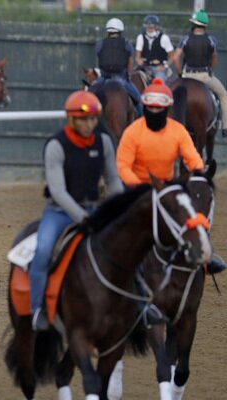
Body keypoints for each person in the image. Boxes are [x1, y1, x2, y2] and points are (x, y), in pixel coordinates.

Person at [30, 90, 124, 331]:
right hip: (59, 212)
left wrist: (122, 208)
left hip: (94, 208)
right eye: (83, 119)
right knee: (41, 251)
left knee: (130, 245)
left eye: (93, 118)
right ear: (71, 119)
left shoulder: (104, 142)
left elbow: (113, 180)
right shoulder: (56, 146)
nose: (89, 124)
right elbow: (58, 192)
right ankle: (38, 308)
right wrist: (85, 219)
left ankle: (143, 304)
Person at [117, 78, 225, 274]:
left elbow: (193, 158)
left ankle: (204, 255)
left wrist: (199, 172)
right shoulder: (132, 132)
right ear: (145, 106)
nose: (155, 111)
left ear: (168, 108)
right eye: (151, 107)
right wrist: (140, 187)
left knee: (193, 215)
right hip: (136, 190)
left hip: (167, 189)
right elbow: (123, 166)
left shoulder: (178, 131)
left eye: (160, 108)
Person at [172, 9, 227, 138]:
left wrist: (180, 73)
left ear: (193, 24)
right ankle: (225, 127)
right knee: (224, 95)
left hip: (187, 75)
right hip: (205, 76)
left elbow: (175, 58)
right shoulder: (211, 40)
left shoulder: (185, 39)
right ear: (205, 25)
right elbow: (214, 57)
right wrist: (210, 71)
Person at [95, 18, 143, 116]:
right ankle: (145, 120)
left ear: (108, 31)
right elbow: (130, 63)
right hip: (121, 79)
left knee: (89, 95)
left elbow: (100, 59)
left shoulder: (100, 44)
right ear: (120, 31)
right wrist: (129, 75)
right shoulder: (127, 44)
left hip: (104, 79)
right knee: (139, 100)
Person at [135, 14, 174, 82]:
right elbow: (137, 57)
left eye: (151, 27)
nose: (149, 29)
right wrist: (140, 62)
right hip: (145, 67)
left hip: (159, 67)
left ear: (156, 27)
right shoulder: (140, 37)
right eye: (148, 27)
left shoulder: (164, 38)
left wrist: (165, 66)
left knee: (159, 80)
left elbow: (172, 56)